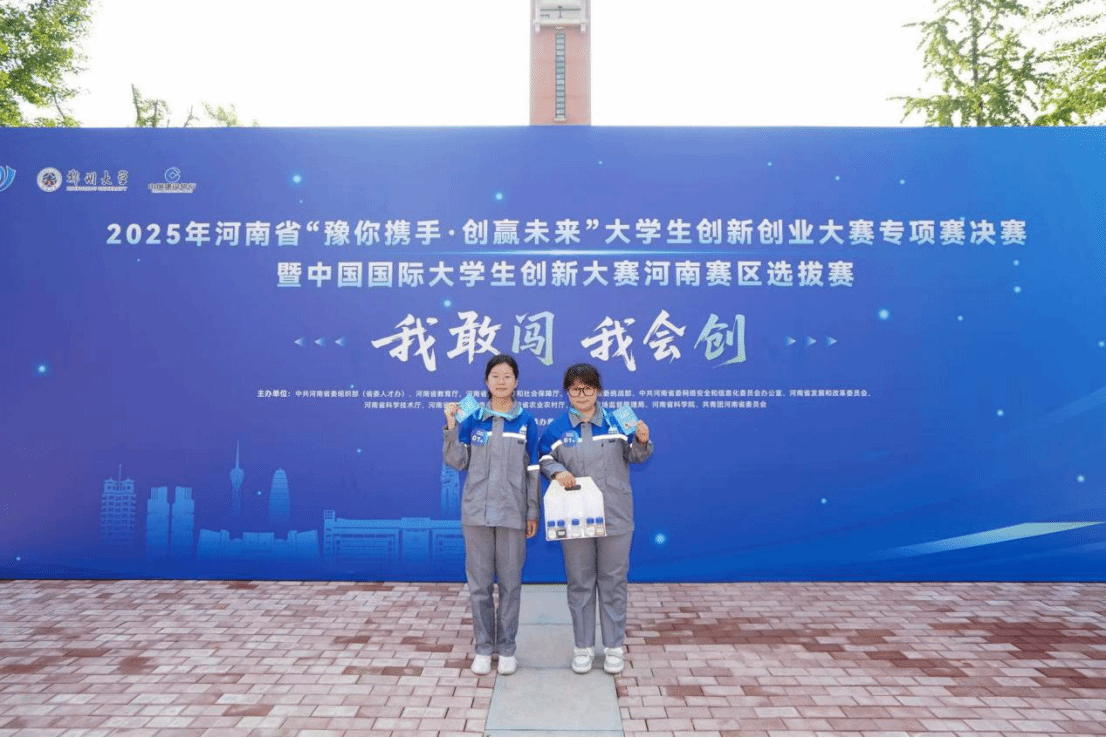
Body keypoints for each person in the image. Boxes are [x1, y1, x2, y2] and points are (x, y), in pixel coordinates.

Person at [538, 363, 653, 675]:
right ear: (566, 392)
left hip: (616, 515)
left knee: (613, 581)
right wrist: (556, 471)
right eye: (575, 389)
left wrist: (642, 440)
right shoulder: (556, 428)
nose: (581, 394)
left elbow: (636, 455)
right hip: (575, 517)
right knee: (580, 582)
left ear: (598, 390)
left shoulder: (619, 421)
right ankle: (583, 647)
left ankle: (614, 646)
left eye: (587, 388)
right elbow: (544, 457)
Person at [443, 354, 540, 676]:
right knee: (480, 586)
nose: (501, 381)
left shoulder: (526, 422)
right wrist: (452, 426)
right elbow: (458, 461)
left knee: (511, 585)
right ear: (486, 381)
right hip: (477, 514)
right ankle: (484, 648)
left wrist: (532, 511)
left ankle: (508, 649)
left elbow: (532, 471)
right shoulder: (473, 419)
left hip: (513, 513)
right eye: (495, 375)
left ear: (516, 381)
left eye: (507, 375)